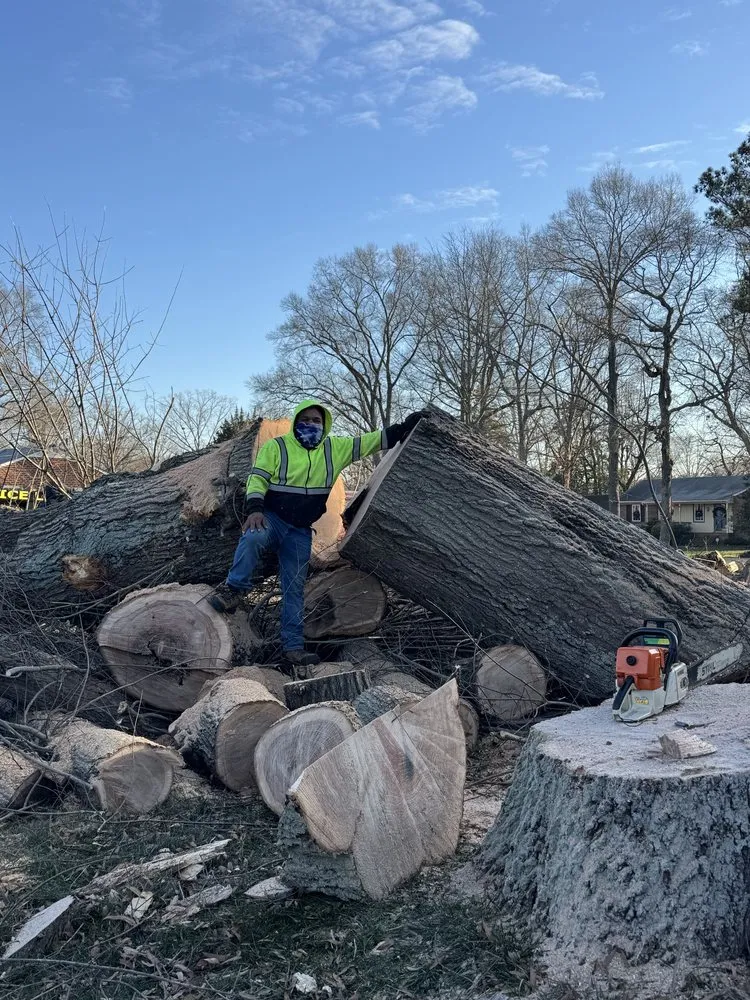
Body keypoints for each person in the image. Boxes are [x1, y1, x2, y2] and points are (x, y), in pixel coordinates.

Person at [208, 399, 423, 668]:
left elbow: (371, 441)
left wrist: (405, 427)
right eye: (306, 420)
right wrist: (254, 508)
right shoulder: (278, 447)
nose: (311, 425)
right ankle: (234, 590)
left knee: (294, 588)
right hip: (273, 519)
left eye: (316, 421)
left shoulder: (336, 448)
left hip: (299, 531)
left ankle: (293, 648)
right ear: (297, 421)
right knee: (252, 537)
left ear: (325, 425)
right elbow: (258, 477)